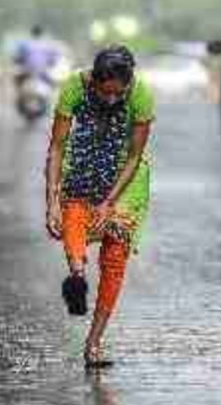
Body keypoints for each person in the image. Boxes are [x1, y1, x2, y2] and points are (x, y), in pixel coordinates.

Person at [45, 46, 155, 369]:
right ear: (93, 80)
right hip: (82, 165)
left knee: (115, 256)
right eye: (104, 93)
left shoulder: (141, 95)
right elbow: (58, 146)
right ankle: (77, 275)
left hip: (126, 177)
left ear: (129, 84)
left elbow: (134, 156)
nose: (110, 100)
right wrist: (51, 200)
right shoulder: (73, 88)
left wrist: (109, 203)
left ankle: (93, 343)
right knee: (73, 218)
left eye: (117, 94)